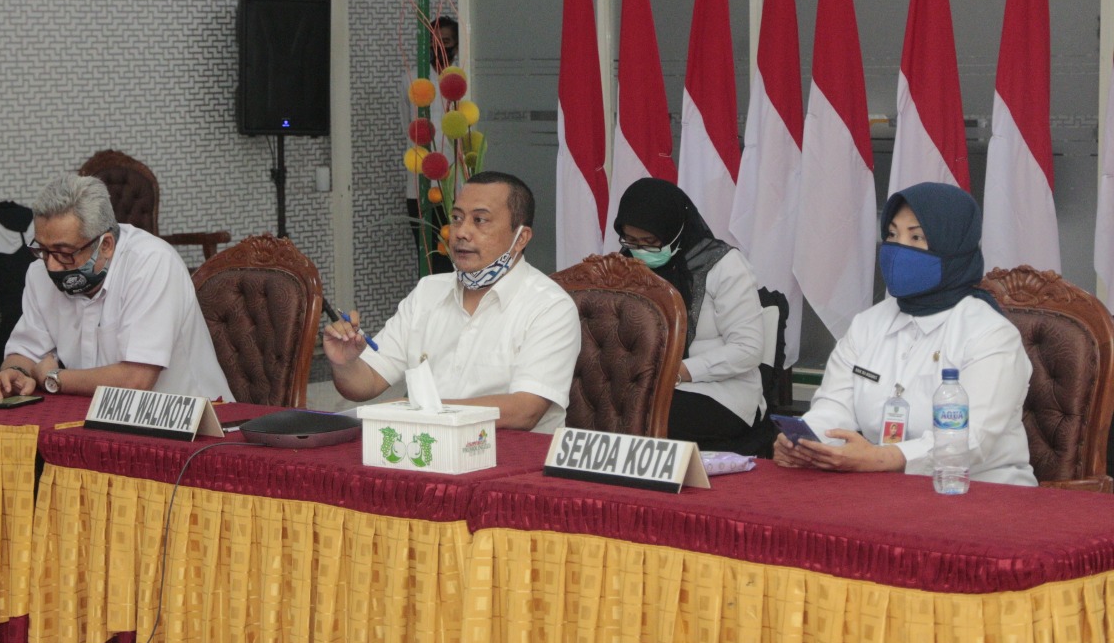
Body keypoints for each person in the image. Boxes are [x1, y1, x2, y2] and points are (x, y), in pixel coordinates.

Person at [774, 182, 1036, 486]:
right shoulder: (868, 324)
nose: (898, 250)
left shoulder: (990, 334)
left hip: (982, 492)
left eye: (916, 237)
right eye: (891, 235)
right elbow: (834, 406)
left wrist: (880, 458)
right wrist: (806, 442)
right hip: (883, 488)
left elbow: (972, 439)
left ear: (952, 246)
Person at [326, 171, 581, 432]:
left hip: (509, 461)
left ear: (521, 238)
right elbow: (365, 384)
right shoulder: (429, 292)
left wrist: (417, 410)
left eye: (480, 220)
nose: (461, 232)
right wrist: (345, 364)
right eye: (457, 218)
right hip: (427, 452)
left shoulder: (549, 306)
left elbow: (524, 410)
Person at [0, 174, 232, 402]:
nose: (53, 267)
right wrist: (15, 373)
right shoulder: (40, 272)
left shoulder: (151, 263)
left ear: (106, 245)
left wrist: (54, 378)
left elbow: (137, 379)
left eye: (65, 253)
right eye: (43, 250)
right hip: (97, 418)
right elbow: (24, 352)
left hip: (195, 424)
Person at [613, 178, 770, 452]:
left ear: (675, 230)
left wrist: (676, 372)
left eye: (651, 242)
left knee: (638, 414)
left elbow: (748, 349)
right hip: (642, 385)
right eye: (631, 240)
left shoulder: (723, 265)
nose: (640, 251)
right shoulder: (625, 264)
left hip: (720, 392)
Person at [403, 16, 459, 274]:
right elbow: (405, 122)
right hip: (421, 184)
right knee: (428, 259)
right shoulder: (412, 78)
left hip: (457, 186)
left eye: (445, 41)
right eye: (434, 41)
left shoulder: (461, 78)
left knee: (457, 257)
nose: (440, 46)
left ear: (455, 44)